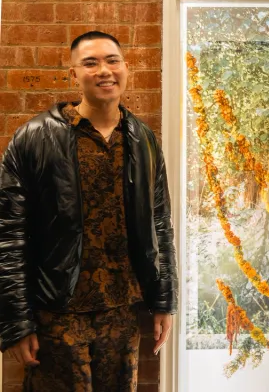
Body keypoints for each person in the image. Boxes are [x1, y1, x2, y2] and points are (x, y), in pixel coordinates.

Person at [0, 31, 178, 391]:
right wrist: (16, 322)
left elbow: (160, 224)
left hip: (123, 311)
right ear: (73, 74)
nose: (104, 70)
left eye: (112, 60)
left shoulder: (143, 140)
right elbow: (9, 233)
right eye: (91, 62)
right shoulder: (34, 137)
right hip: (57, 312)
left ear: (126, 67)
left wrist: (164, 301)